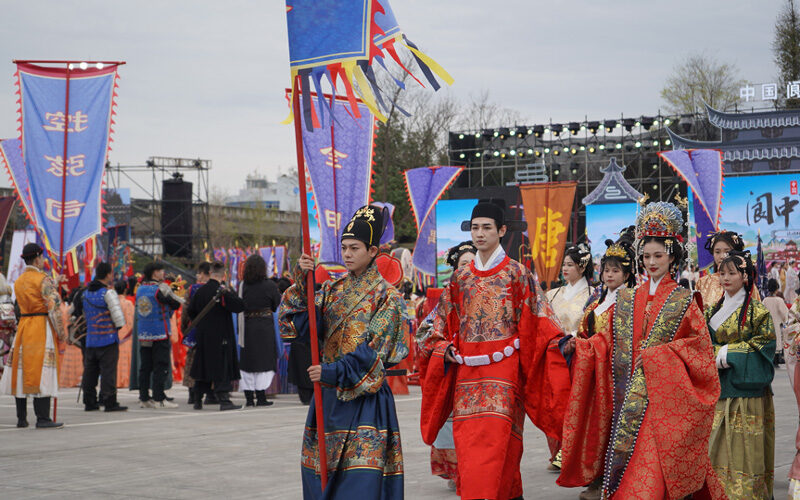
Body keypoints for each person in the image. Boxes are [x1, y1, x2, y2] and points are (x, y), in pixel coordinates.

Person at [559, 202, 725, 499]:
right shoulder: (626, 298)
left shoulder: (685, 300)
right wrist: (582, 347)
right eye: (646, 255)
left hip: (663, 403)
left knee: (650, 480)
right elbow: (606, 341)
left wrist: (657, 358)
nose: (651, 261)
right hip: (627, 404)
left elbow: (700, 353)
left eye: (658, 255)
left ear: (672, 255)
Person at [419, 199, 570, 500]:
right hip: (467, 375)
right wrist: (442, 347)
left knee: (502, 447)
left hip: (505, 373)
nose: (480, 234)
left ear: (501, 231)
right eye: (475, 228)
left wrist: (560, 344)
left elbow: (541, 320)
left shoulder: (517, 273)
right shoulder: (460, 279)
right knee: (470, 447)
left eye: (487, 227)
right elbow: (434, 324)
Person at [279, 205, 408, 500]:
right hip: (328, 400)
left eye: (355, 248)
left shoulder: (388, 296)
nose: (347, 254)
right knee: (319, 481)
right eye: (344, 248)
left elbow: (377, 353)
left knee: (360, 483)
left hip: (366, 399)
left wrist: (333, 370)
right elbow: (297, 324)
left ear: (373, 250)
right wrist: (303, 280)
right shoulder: (332, 290)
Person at [568, 228, 637, 500]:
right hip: (594, 374)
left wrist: (589, 345)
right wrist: (577, 342)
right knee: (596, 427)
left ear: (627, 274)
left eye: (616, 271)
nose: (609, 275)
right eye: (606, 269)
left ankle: (615, 481)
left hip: (618, 376)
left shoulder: (631, 301)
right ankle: (597, 479)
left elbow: (620, 338)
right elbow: (587, 331)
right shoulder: (596, 300)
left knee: (616, 427)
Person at [705, 250, 775, 499]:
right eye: (721, 273)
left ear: (745, 276)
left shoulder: (758, 311)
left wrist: (727, 353)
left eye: (732, 273)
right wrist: (714, 353)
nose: (725, 278)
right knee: (717, 449)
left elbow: (765, 347)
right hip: (719, 389)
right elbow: (702, 342)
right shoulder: (712, 309)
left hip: (747, 394)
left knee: (745, 453)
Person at [415, 241, 476, 493]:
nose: (469, 269)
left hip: (482, 369)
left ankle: (475, 469)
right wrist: (445, 348)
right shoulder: (445, 300)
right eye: (464, 264)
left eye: (474, 263)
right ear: (454, 270)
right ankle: (458, 469)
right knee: (453, 422)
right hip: (453, 369)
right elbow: (423, 334)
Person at [0, 243, 66, 428]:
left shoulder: (19, 281)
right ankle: (43, 417)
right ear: (37, 258)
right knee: (42, 371)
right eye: (42, 257)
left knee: (21, 371)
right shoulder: (43, 279)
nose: (43, 260)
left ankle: (22, 418)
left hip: (24, 327)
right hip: (41, 327)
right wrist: (61, 333)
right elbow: (53, 309)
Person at [544, 241, 593, 471]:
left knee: (575, 404)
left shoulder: (593, 295)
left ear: (582, 268)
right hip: (555, 354)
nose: (565, 269)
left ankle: (571, 452)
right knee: (554, 403)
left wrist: (574, 339)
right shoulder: (552, 294)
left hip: (578, 354)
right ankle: (557, 450)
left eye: (570, 265)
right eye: (563, 264)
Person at [188, 261, 245, 411]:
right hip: (221, 336)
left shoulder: (199, 291)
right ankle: (224, 400)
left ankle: (197, 400)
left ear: (210, 273)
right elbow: (239, 306)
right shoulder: (222, 291)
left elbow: (191, 312)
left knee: (203, 366)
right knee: (222, 368)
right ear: (223, 275)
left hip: (203, 336)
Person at [80, 262, 127, 412]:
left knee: (90, 371)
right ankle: (109, 401)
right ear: (108, 274)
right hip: (107, 339)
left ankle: (89, 401)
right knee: (108, 372)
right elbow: (119, 319)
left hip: (91, 339)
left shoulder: (85, 293)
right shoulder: (108, 293)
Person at [135, 261, 183, 409]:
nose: (163, 273)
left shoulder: (140, 289)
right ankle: (159, 397)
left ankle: (144, 397)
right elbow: (175, 304)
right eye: (161, 271)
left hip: (144, 333)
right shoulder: (159, 290)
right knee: (160, 365)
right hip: (159, 332)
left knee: (145, 366)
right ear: (155, 273)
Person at [238, 254, 281, 407]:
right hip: (264, 326)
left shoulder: (243, 285)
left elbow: (239, 305)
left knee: (247, 362)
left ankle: (249, 398)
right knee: (264, 361)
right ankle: (261, 396)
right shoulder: (270, 285)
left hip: (248, 326)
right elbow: (276, 304)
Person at [180, 262, 210, 405]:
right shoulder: (217, 289)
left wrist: (184, 329)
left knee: (192, 361)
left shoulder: (191, 289)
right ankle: (210, 393)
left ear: (204, 274)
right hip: (211, 332)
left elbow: (185, 311)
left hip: (194, 330)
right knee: (210, 361)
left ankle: (192, 393)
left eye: (199, 273)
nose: (197, 275)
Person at [696, 230, 745, 307]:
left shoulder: (744, 281)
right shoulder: (703, 282)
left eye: (727, 252)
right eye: (717, 252)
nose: (722, 256)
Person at [763, 278, 789, 362]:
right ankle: (777, 359)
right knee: (778, 342)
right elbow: (785, 314)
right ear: (776, 288)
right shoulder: (779, 300)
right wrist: (785, 321)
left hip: (767, 326)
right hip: (777, 325)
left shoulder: (765, 300)